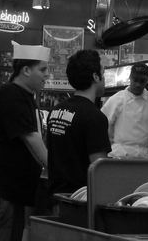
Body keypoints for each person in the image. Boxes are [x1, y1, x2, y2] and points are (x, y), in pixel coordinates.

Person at [0, 41, 50, 241]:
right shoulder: (11, 95)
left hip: (10, 191)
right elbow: (32, 138)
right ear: (26, 70)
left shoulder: (25, 96)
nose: (47, 75)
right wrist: (58, 168)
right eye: (43, 69)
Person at [46, 49, 111, 194]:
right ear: (96, 76)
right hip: (80, 201)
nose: (105, 79)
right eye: (103, 73)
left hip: (55, 198)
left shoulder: (55, 111)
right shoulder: (95, 117)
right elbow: (99, 169)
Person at [101, 62, 148, 159]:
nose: (138, 84)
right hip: (118, 155)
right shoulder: (116, 100)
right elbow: (102, 125)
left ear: (147, 80)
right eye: (135, 80)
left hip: (143, 157)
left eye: (142, 81)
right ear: (130, 77)